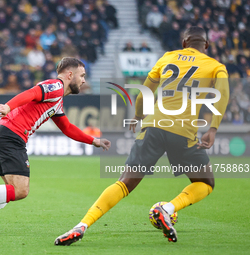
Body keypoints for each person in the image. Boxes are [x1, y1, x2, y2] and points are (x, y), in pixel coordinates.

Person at [54, 26, 230, 245]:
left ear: (184, 43)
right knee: (206, 182)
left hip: (153, 126)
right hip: (184, 132)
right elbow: (222, 96)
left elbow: (144, 92)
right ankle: (166, 209)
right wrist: (213, 128)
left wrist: (137, 116)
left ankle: (81, 225)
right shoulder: (216, 66)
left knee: (124, 183)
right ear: (207, 45)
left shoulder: (167, 57)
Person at [0, 57, 111, 234]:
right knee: (21, 190)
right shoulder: (56, 86)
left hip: (1, 133)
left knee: (10, 189)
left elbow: (67, 128)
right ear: (70, 74)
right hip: (11, 135)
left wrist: (94, 141)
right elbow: (32, 93)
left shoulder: (57, 100)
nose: (84, 80)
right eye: (82, 76)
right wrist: (8, 106)